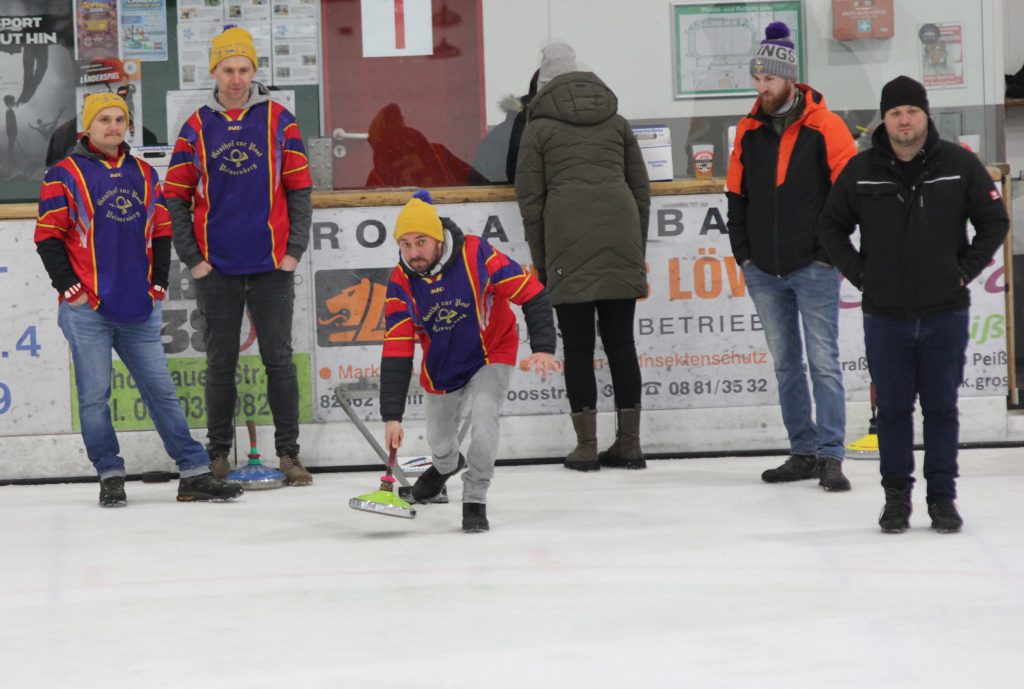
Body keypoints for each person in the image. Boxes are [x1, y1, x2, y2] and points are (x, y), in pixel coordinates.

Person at [818, 75, 1009, 533]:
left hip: (945, 310)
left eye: (911, 112)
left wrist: (962, 270)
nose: (904, 121)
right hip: (885, 315)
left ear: (925, 115)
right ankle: (896, 499)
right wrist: (863, 275)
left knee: (941, 409)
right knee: (894, 411)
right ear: (884, 120)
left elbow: (993, 220)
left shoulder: (958, 164)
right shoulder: (861, 169)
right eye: (895, 113)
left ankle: (942, 499)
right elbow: (829, 227)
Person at [33, 93, 244, 506]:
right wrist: (70, 289)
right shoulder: (63, 174)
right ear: (88, 128)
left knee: (161, 391)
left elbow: (162, 231)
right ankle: (110, 473)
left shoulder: (146, 174)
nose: (113, 127)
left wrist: (158, 284)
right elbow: (47, 238)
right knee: (94, 396)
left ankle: (194, 472)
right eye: (104, 120)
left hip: (139, 308)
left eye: (119, 120)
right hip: (87, 311)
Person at [165, 26, 314, 486]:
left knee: (279, 362)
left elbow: (301, 191)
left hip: (272, 269)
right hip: (217, 271)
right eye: (227, 70)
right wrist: (194, 260)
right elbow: (175, 198)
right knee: (220, 366)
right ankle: (218, 456)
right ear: (214, 71)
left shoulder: (281, 121)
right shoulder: (195, 127)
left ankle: (289, 455)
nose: (235, 79)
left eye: (243, 69)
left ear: (255, 71)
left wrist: (292, 253)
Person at [725, 22, 856, 491]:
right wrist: (743, 255)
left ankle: (832, 455)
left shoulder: (827, 126)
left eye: (770, 79)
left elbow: (848, 194)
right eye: (757, 79)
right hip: (763, 268)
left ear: (789, 79)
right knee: (786, 364)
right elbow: (735, 198)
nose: (762, 87)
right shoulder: (748, 129)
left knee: (823, 362)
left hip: (814, 266)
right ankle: (802, 451)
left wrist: (827, 253)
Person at [380, 190, 559, 532]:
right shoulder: (400, 281)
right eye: (405, 244)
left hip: (491, 351)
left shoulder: (477, 254)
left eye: (420, 242)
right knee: (440, 442)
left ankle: (475, 497)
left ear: (437, 238)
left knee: (484, 416)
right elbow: (397, 347)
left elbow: (532, 292)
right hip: (442, 365)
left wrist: (543, 346)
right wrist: (392, 416)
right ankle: (446, 464)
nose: (413, 252)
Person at [514, 42, 651, 473]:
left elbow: (530, 200)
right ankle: (629, 445)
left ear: (544, 82)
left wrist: (541, 259)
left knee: (576, 347)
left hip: (566, 239)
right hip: (622, 232)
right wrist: (636, 248)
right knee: (622, 343)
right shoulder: (618, 122)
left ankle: (586, 447)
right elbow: (641, 191)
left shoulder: (538, 129)